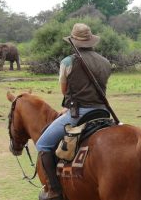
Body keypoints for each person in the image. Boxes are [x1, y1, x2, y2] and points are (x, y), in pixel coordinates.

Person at [35, 23, 112, 200]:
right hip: (103, 112)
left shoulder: (68, 62)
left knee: (43, 145)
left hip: (79, 113)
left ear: (73, 41)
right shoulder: (105, 62)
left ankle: (54, 190)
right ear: (91, 40)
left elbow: (64, 89)